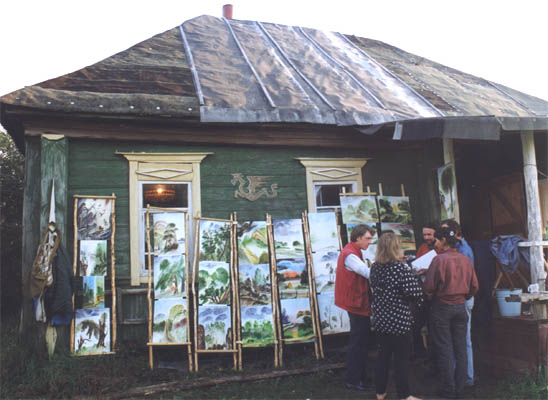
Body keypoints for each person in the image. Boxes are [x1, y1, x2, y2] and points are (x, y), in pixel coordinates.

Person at [423, 227, 479, 399]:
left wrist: (432, 299)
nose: (435, 243)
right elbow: (474, 286)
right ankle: (460, 386)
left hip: (442, 307)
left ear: (443, 241)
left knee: (444, 347)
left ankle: (448, 388)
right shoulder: (465, 259)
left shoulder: (438, 260)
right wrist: (462, 297)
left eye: (437, 240)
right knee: (461, 347)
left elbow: (429, 288)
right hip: (460, 306)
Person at [370, 232, 423, 400]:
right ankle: (404, 395)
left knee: (383, 357)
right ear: (395, 248)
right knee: (401, 359)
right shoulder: (399, 268)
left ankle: (380, 392)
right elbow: (416, 292)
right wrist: (405, 294)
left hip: (381, 319)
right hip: (399, 320)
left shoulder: (375, 267)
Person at [335, 224, 375, 391]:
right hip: (356, 303)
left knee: (361, 340)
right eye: (367, 238)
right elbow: (367, 273)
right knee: (358, 342)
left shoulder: (352, 251)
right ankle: (353, 379)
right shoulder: (350, 255)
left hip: (356, 301)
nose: (370, 242)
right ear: (358, 238)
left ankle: (360, 376)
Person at [441, 219, 475, 387]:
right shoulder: (458, 249)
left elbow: (467, 279)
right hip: (462, 297)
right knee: (459, 340)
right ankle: (460, 376)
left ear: (453, 233)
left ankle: (467, 377)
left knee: (464, 340)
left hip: (463, 298)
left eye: (444, 232)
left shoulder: (463, 250)